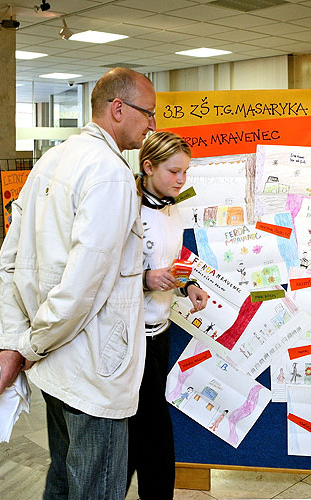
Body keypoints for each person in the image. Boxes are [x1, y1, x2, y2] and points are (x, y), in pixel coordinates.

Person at [0, 67, 156, 500]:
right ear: (118, 109)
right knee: (95, 488)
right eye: (148, 113)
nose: (153, 124)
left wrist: (18, 340)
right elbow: (83, 286)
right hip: (92, 368)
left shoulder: (51, 160)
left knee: (64, 479)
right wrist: (25, 346)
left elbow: (9, 263)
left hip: (57, 365)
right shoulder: (111, 173)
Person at [127, 131, 208, 500]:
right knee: (146, 429)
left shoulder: (172, 208)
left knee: (150, 427)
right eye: (174, 171)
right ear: (148, 166)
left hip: (160, 332)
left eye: (186, 172)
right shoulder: (127, 207)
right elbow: (101, 272)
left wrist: (185, 284)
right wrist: (145, 279)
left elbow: (170, 263)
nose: (181, 180)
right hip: (129, 336)